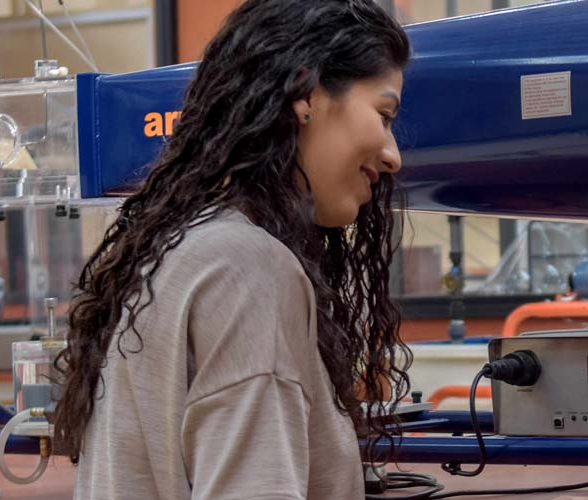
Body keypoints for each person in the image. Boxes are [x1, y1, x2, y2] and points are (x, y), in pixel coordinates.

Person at [50, 0, 411, 497]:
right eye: (383, 114)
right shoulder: (249, 269)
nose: (393, 155)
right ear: (306, 95)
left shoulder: (186, 248)